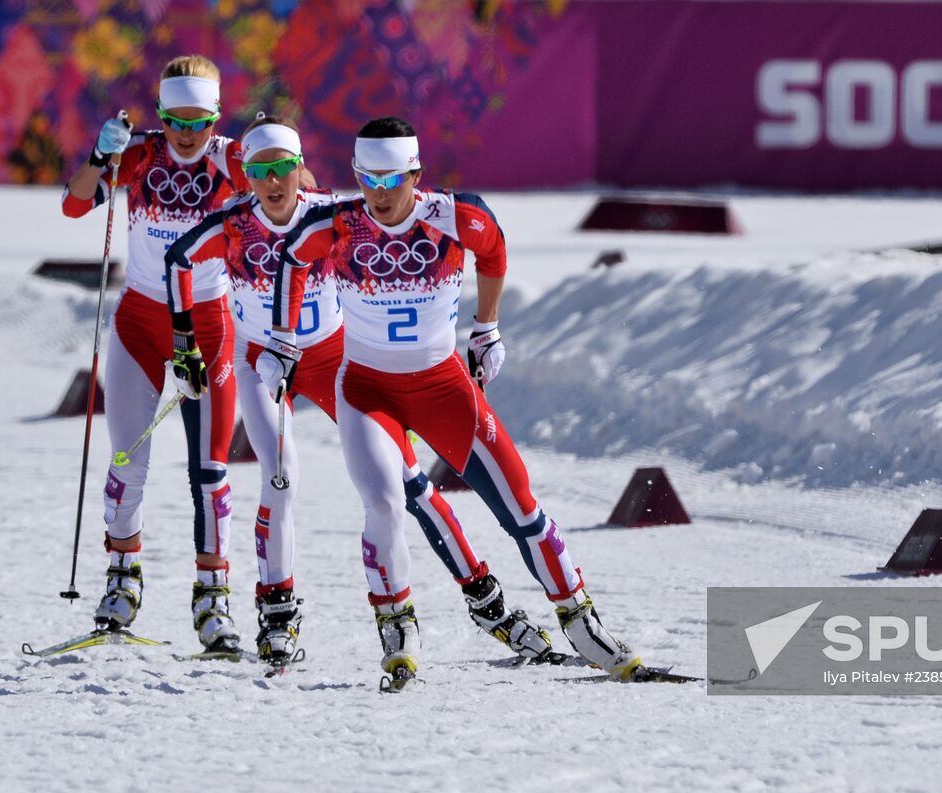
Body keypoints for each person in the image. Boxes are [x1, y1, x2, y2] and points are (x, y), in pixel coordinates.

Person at [264, 116, 642, 681]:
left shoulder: (454, 214)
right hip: (367, 391)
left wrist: (486, 327)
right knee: (387, 503)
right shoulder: (338, 225)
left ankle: (581, 621)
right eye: (368, 179)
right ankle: (397, 627)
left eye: (394, 179)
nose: (381, 193)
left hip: (443, 387)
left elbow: (494, 251)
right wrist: (282, 341)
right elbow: (292, 258)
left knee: (522, 509)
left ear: (415, 173)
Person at [164, 115, 551, 665]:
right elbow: (178, 259)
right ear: (244, 174)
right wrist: (186, 347)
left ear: (301, 170)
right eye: (258, 171)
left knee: (409, 483)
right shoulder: (233, 222)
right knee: (281, 478)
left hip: (332, 357)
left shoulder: (329, 214)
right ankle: (276, 616)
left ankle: (486, 600)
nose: (272, 183)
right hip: (261, 361)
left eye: (282, 169)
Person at [62, 55, 251, 653]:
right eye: (174, 120)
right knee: (127, 460)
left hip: (211, 323)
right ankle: (122, 580)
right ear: (161, 114)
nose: (186, 133)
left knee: (211, 472)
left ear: (216, 116)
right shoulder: (139, 152)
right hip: (142, 323)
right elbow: (74, 205)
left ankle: (213, 600)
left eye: (198, 120)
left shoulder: (233, 160)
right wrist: (100, 157)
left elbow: (287, 207)